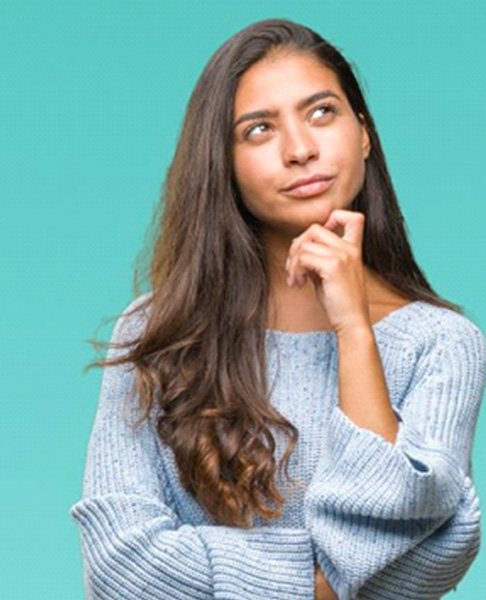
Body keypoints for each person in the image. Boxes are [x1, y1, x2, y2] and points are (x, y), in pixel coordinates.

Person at [69, 18, 485, 600]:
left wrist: (352, 329)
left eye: (321, 112)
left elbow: (418, 538)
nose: (300, 149)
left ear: (363, 134)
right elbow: (123, 566)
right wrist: (322, 581)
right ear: (225, 165)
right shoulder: (155, 330)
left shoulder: (442, 343)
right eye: (259, 130)